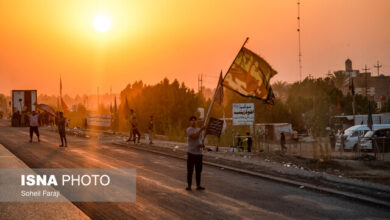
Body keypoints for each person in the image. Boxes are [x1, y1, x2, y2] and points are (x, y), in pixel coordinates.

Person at [186, 116, 206, 191]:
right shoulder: (189, 129)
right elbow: (194, 136)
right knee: (190, 170)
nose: (194, 122)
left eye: (195, 120)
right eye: (192, 120)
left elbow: (200, 140)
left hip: (199, 153)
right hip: (191, 153)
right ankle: (189, 186)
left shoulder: (199, 130)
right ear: (190, 122)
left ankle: (198, 185)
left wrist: (202, 145)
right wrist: (201, 129)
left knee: (198, 170)